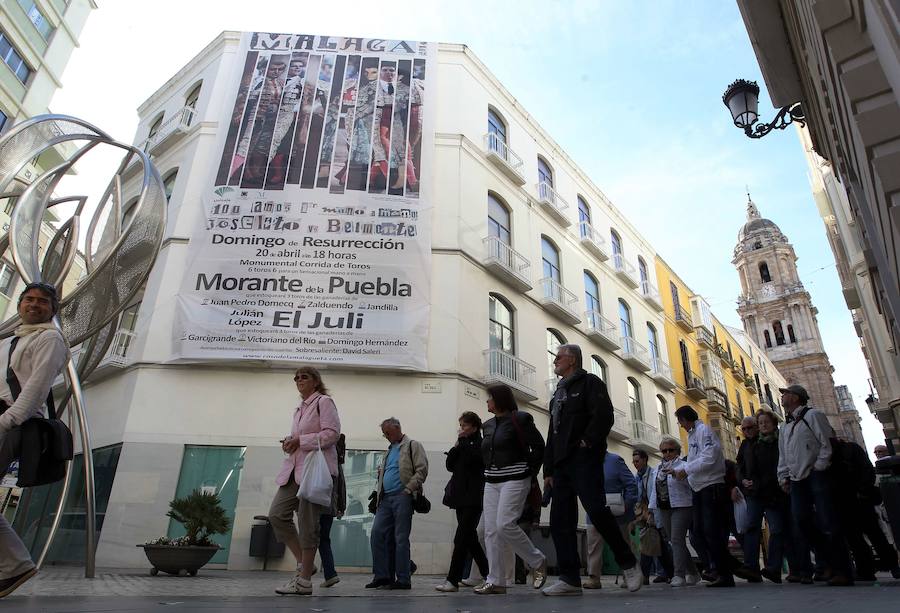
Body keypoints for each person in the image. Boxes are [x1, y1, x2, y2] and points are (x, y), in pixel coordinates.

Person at [543, 344, 643, 596]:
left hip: (583, 459)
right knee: (559, 521)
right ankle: (569, 578)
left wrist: (587, 442)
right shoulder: (557, 395)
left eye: (559, 357)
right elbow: (552, 434)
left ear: (572, 360)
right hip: (561, 464)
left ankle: (629, 564)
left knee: (597, 512)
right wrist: (548, 470)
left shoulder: (590, 383)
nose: (555, 360)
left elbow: (604, 415)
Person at [0, 283, 69, 599]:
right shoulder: (11, 341)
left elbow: (36, 389)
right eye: (29, 299)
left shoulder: (49, 339)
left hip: (15, 424)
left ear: (53, 309)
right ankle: (15, 564)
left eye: (43, 301)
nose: (34, 305)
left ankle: (16, 564)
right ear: (20, 304)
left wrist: (7, 421)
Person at [270, 367, 341, 596]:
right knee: (277, 514)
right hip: (293, 470)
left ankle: (304, 582)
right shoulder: (299, 408)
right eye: (296, 377)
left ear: (315, 381)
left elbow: (332, 434)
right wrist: (290, 442)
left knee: (309, 525)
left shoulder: (324, 402)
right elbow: (300, 439)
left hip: (314, 472)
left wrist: (300, 440)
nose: (299, 380)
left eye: (304, 376)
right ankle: (305, 564)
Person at [776, 384, 853, 586]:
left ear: (796, 397)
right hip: (796, 480)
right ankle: (827, 560)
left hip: (816, 476)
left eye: (786, 394)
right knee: (802, 521)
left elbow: (827, 443)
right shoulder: (785, 426)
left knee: (828, 522)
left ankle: (842, 570)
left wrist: (819, 467)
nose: (782, 397)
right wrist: (783, 476)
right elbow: (783, 455)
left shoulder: (814, 416)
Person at [476, 384, 546, 595]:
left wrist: (529, 471)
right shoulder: (487, 425)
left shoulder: (521, 419)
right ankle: (496, 580)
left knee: (504, 524)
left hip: (515, 479)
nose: (487, 402)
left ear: (499, 400)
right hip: (491, 482)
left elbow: (539, 447)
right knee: (490, 531)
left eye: (489, 398)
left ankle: (537, 560)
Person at [672, 405, 734, 587]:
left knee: (711, 531)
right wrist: (679, 470)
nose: (680, 425)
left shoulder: (703, 431)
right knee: (697, 533)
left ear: (685, 419)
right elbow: (693, 460)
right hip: (698, 488)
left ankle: (724, 573)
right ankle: (714, 567)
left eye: (680, 421)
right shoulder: (692, 435)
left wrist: (686, 469)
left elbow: (709, 457)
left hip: (711, 486)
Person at [366, 418, 428, 590]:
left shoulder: (412, 445)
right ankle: (382, 576)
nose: (386, 436)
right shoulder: (389, 450)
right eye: (384, 433)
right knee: (377, 534)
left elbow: (421, 469)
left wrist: (408, 489)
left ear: (397, 428)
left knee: (400, 538)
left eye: (388, 433)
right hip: (385, 498)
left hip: (402, 496)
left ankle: (403, 579)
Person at [736, 411, 792, 583]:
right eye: (744, 429)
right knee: (751, 527)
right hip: (753, 494)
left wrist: (756, 482)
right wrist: (742, 481)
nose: (747, 431)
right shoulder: (745, 446)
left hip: (771, 492)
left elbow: (770, 468)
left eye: (751, 427)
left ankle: (775, 567)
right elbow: (739, 467)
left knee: (777, 529)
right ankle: (751, 566)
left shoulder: (770, 442)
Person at [435, 411, 489, 592]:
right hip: (460, 498)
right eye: (461, 425)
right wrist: (456, 447)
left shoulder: (480, 444)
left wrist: (464, 443)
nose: (461, 429)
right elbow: (450, 465)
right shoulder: (462, 444)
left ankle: (452, 580)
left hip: (474, 498)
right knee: (470, 539)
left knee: (461, 539)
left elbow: (475, 461)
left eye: (464, 425)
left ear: (474, 427)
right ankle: (489, 575)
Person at [584, 451, 638, 589]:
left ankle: (629, 576)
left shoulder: (615, 460)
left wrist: (626, 504)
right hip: (594, 511)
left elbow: (631, 484)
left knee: (623, 544)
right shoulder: (584, 462)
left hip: (618, 513)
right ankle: (594, 577)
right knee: (593, 546)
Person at [650, 436, 699, 587]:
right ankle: (693, 572)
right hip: (664, 507)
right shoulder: (657, 469)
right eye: (664, 451)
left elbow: (693, 483)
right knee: (674, 541)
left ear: (677, 451)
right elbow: (654, 490)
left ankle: (679, 575)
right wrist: (652, 510)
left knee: (677, 539)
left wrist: (676, 475)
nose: (667, 453)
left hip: (682, 506)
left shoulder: (685, 465)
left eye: (670, 450)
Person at [634, 448, 674, 584]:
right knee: (658, 546)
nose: (635, 464)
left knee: (649, 544)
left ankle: (645, 575)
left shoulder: (652, 475)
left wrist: (651, 515)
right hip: (644, 516)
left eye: (637, 461)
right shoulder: (638, 476)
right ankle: (670, 573)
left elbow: (653, 495)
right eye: (633, 461)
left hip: (653, 514)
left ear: (645, 460)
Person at [318, 433, 346, 588]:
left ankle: (304, 572)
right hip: (329, 507)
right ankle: (330, 574)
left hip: (318, 505)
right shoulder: (337, 463)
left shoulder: (324, 460)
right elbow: (342, 486)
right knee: (323, 540)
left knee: (309, 539)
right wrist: (341, 507)